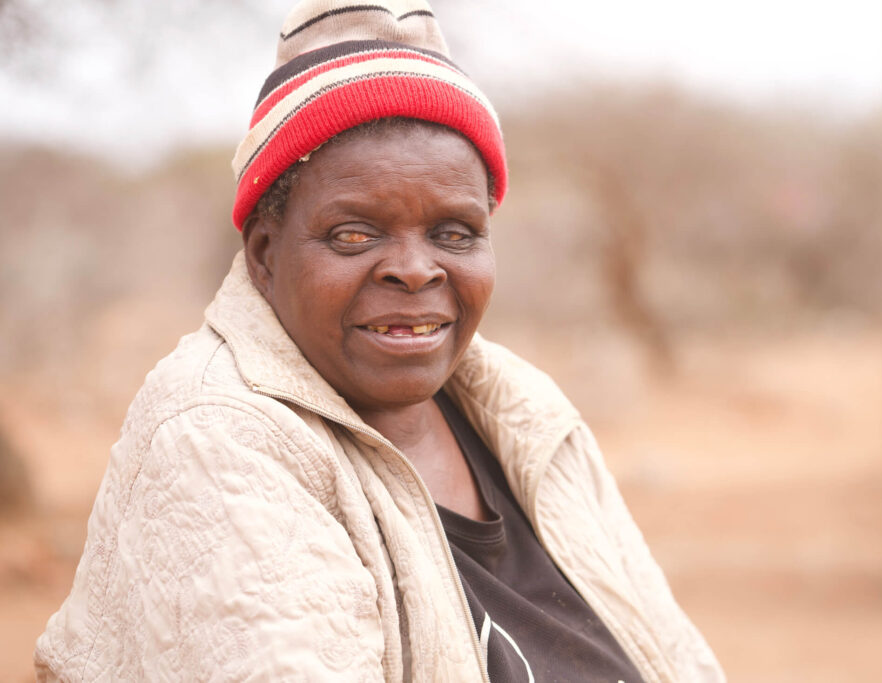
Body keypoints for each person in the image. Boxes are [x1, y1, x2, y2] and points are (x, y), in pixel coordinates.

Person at [35, 1, 724, 680]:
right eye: (354, 234)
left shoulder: (525, 413)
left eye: (454, 232)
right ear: (266, 254)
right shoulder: (215, 436)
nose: (416, 268)